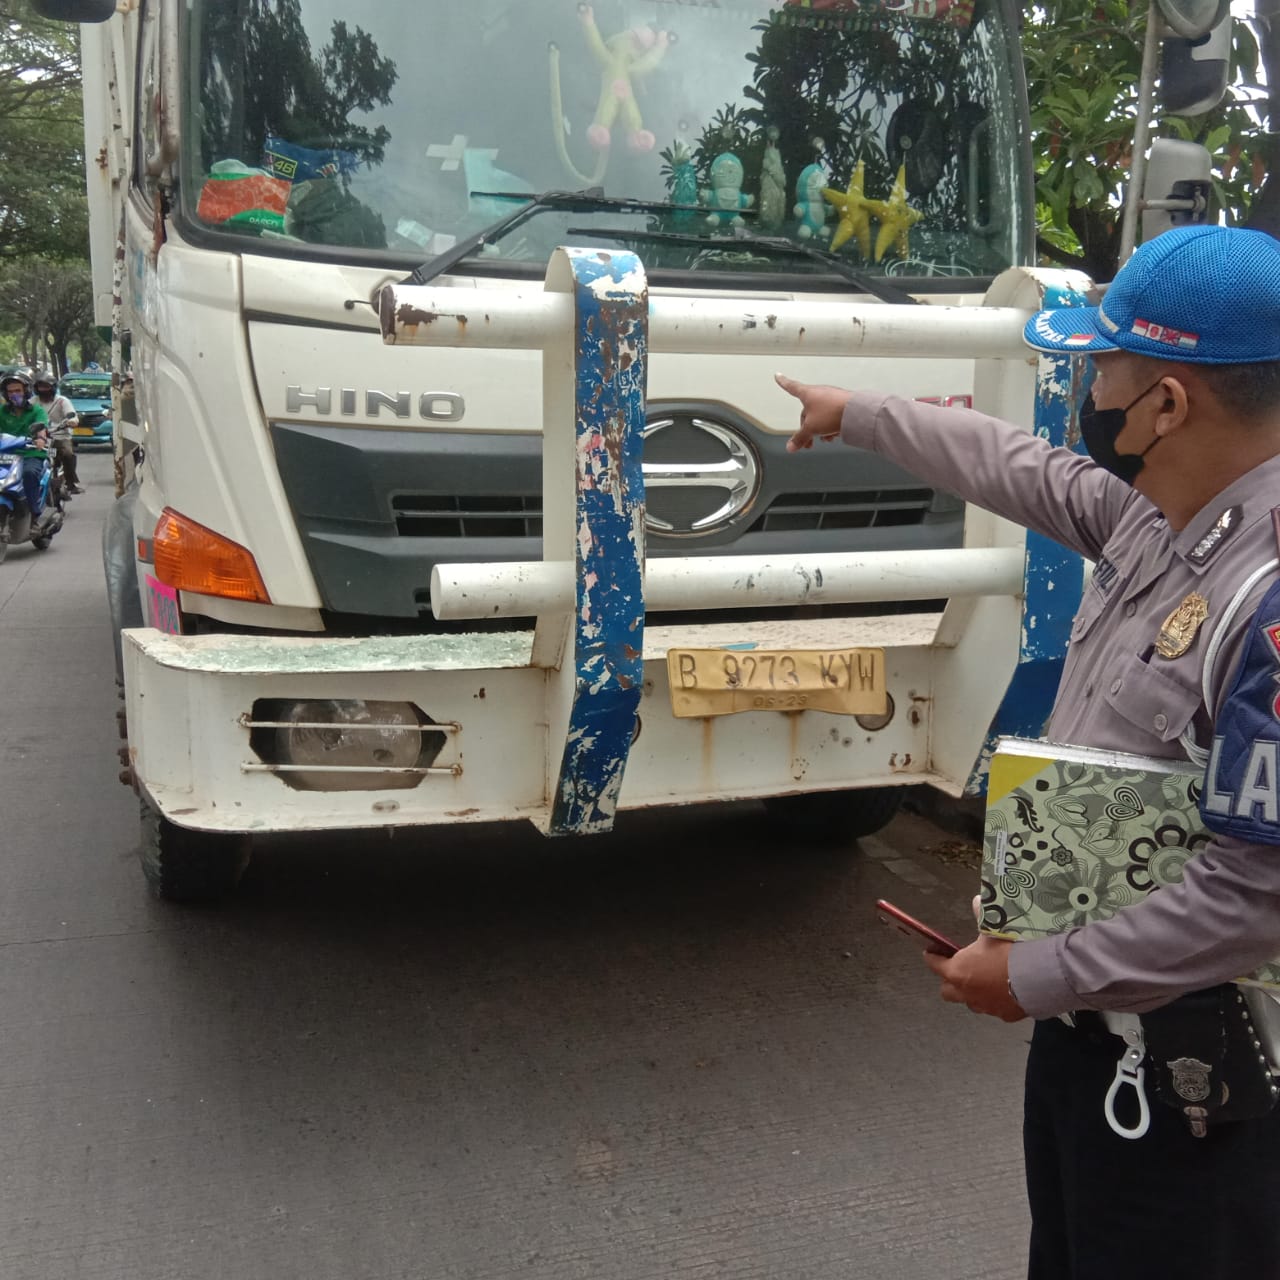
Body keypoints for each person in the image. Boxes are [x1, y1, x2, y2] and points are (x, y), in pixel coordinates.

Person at [777, 224, 1280, 1279]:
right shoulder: (1159, 519)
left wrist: (1039, 973)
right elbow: (1017, 465)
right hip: (1088, 1036)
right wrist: (857, 413)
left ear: (1166, 403)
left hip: (1197, 1070)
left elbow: (1255, 894)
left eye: (1102, 365)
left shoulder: (1262, 598)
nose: (1088, 389)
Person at [0, 371, 51, 520]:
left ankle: (34, 513)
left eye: (17, 391)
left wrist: (40, 438)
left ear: (26, 391)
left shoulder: (37, 411)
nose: (14, 394)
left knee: (29, 473)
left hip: (30, 453)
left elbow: (41, 428)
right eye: (10, 392)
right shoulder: (2, 412)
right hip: (6, 454)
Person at [32, 370, 83, 494]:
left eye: (46, 386)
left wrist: (72, 421)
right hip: (39, 436)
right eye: (41, 386)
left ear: (53, 387)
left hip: (60, 435)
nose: (43, 389)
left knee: (68, 454)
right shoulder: (33, 402)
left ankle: (71, 483)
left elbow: (72, 415)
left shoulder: (62, 401)